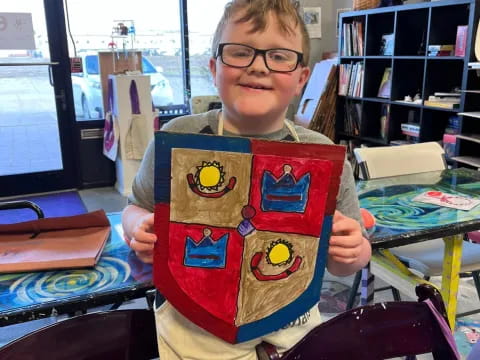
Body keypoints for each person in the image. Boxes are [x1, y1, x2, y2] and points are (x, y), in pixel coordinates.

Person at [122, 0, 371, 358]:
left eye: (280, 56)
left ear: (302, 78)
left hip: (291, 329)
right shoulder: (178, 140)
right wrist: (139, 226)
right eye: (239, 53)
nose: (258, 67)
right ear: (213, 67)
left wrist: (352, 251)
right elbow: (136, 207)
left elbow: (348, 258)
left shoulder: (322, 155)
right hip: (193, 330)